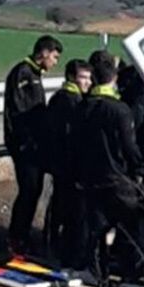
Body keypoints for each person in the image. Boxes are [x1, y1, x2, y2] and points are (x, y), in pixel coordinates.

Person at [71, 57, 144, 282]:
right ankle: (132, 275)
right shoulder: (119, 109)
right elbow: (128, 145)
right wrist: (139, 169)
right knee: (131, 225)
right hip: (118, 177)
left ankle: (95, 271)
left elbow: (75, 142)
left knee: (96, 228)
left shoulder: (82, 106)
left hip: (91, 176)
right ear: (114, 79)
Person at [4, 34, 62, 255]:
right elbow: (20, 112)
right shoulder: (23, 73)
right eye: (54, 57)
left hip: (35, 145)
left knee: (34, 191)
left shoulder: (36, 74)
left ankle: (23, 236)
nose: (55, 62)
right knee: (28, 190)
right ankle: (16, 237)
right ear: (44, 53)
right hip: (24, 145)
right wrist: (27, 140)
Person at [43, 58, 92, 267]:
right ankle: (59, 249)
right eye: (83, 77)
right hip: (68, 165)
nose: (87, 82)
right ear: (72, 77)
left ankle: (52, 244)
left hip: (60, 163)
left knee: (59, 206)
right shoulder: (71, 101)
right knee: (67, 208)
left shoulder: (59, 98)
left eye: (89, 78)